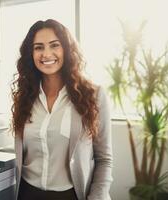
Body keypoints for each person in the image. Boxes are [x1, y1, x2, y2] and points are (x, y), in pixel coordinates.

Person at [11, 19, 113, 200]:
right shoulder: (25, 97)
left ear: (67, 49)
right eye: (38, 47)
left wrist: (97, 197)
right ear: (31, 54)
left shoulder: (94, 96)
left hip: (70, 195)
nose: (46, 54)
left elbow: (104, 159)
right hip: (26, 193)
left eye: (54, 45)